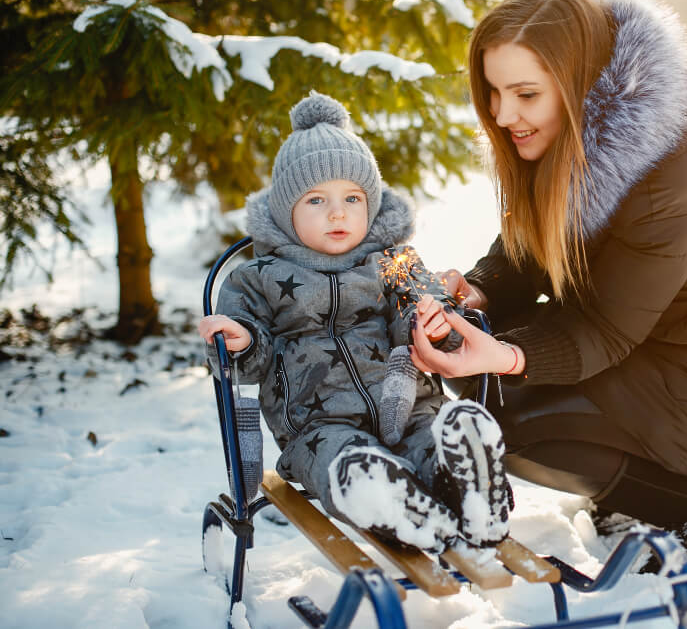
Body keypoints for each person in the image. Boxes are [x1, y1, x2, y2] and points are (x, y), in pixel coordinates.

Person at [410, 0, 687, 570]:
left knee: (511, 417)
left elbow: (605, 332)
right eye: (493, 93)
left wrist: (500, 354)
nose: (502, 115)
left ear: (576, 85)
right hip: (656, 343)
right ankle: (634, 486)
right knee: (484, 378)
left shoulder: (673, 175)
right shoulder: (556, 140)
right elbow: (524, 253)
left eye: (525, 94)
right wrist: (479, 291)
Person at [198, 92, 513, 552]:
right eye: (316, 200)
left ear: (371, 202)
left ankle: (470, 486)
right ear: (286, 214)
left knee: (433, 436)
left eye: (352, 197)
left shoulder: (395, 263)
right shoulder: (256, 280)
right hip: (317, 428)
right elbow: (243, 367)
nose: (338, 212)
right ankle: (383, 496)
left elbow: (426, 318)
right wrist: (242, 340)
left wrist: (434, 324)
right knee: (342, 462)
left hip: (409, 409)